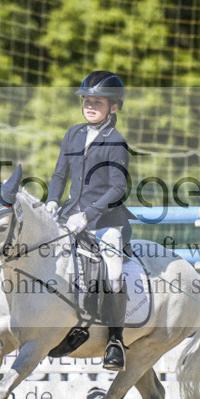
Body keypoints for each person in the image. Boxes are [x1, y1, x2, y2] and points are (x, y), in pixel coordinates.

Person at [46, 70, 134, 371]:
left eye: (98, 101)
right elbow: (60, 174)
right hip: (70, 215)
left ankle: (115, 341)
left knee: (112, 274)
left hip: (106, 221)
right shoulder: (74, 133)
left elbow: (117, 188)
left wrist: (89, 214)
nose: (90, 105)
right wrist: (52, 201)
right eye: (86, 100)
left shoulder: (116, 142)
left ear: (114, 107)